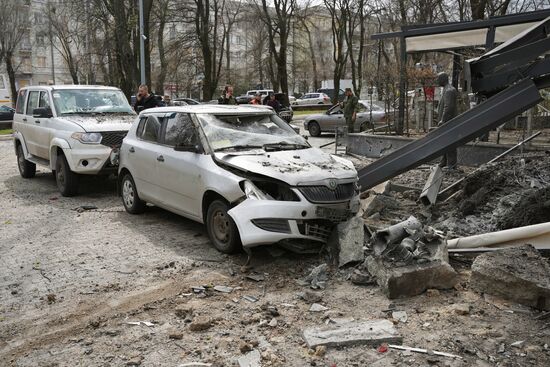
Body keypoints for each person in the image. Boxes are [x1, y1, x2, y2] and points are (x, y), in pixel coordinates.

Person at [436, 72, 459, 169]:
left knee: (450, 142)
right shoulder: (446, 89)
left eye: (438, 79)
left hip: (449, 121)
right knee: (444, 141)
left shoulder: (449, 90)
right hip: (447, 121)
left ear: (443, 79)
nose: (436, 81)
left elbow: (448, 107)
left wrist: (443, 120)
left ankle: (451, 164)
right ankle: (444, 161)